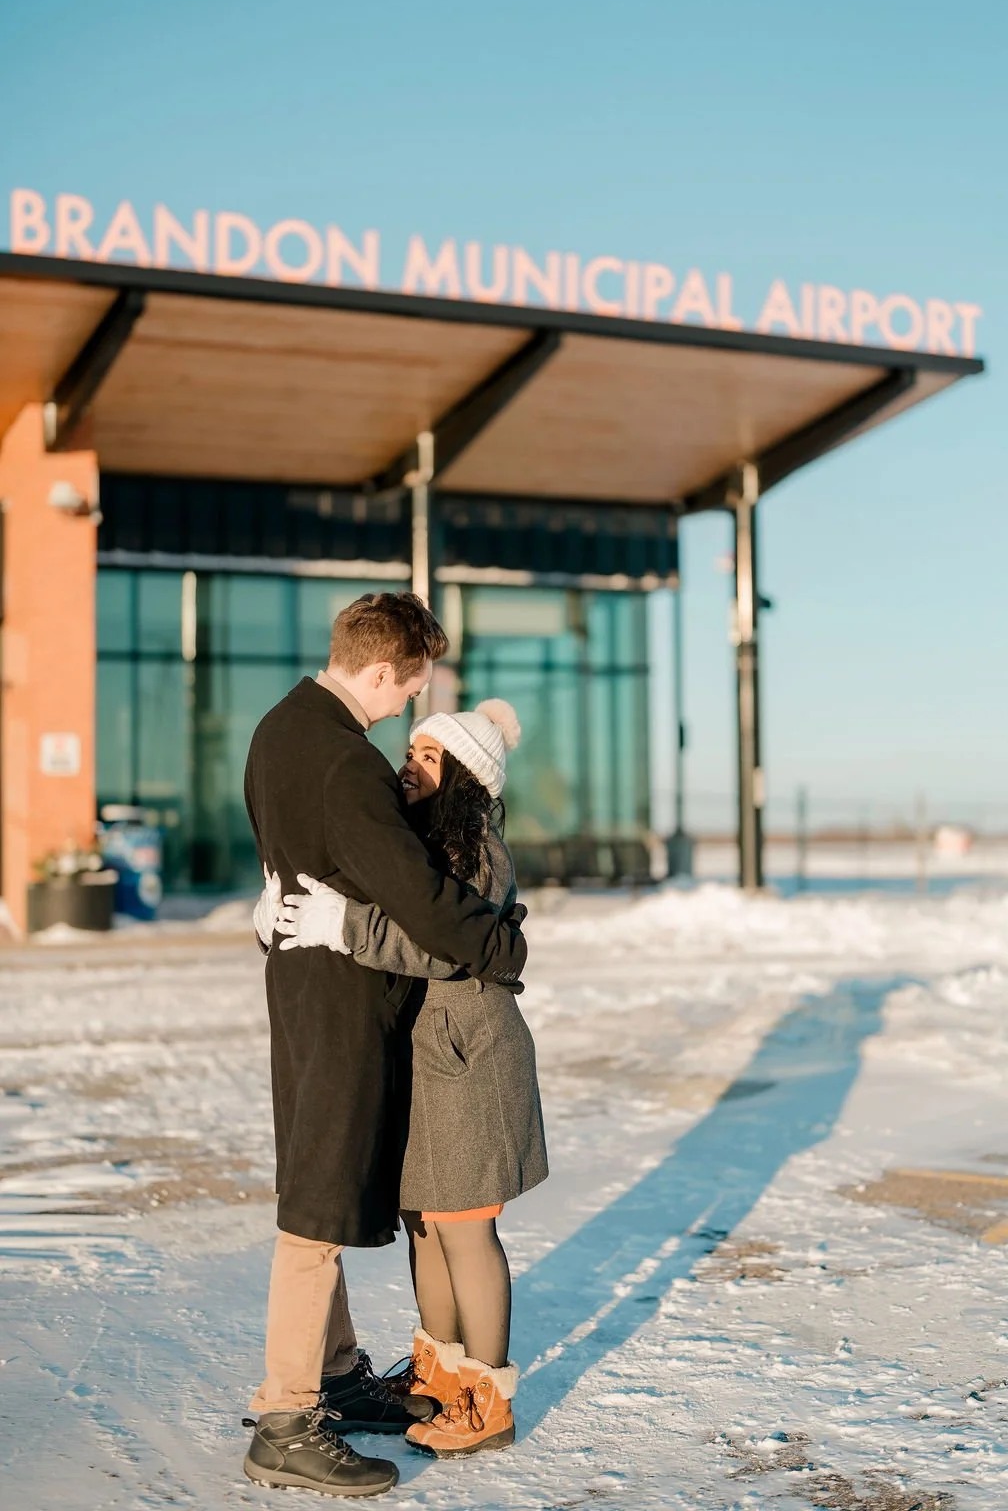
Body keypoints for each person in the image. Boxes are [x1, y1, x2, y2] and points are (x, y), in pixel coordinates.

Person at [241, 594, 528, 1498]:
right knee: (317, 1209)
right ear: (377, 674)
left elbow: (290, 858)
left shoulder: (275, 731)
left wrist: (283, 912)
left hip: (301, 990)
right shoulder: (346, 763)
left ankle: (333, 1373)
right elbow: (419, 899)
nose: (410, 708)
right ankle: (289, 1417)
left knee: (319, 1185)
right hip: (340, 1006)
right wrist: (502, 944)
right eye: (409, 690)